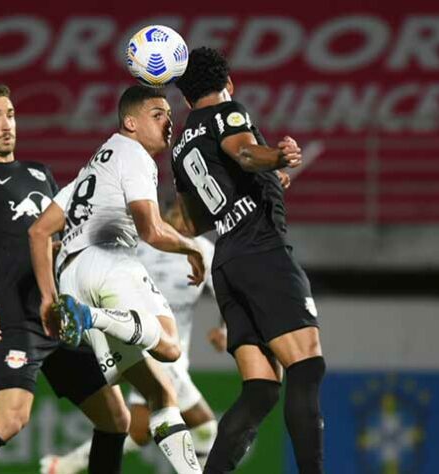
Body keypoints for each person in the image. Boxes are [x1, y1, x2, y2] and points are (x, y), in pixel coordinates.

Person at [0, 83, 131, 474]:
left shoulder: (39, 173)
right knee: (11, 419)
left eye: (9, 114)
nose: (6, 124)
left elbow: (57, 236)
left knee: (116, 420)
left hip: (60, 317)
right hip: (17, 317)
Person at [29, 85, 205, 473]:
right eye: (158, 114)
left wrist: (47, 297)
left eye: (170, 115)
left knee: (161, 392)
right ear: (130, 122)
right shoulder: (134, 155)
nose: (169, 121)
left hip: (71, 276)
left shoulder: (92, 168)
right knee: (170, 347)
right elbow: (151, 230)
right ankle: (90, 315)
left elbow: (39, 232)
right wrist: (191, 248)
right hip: (109, 260)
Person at [171, 47, 326, 474]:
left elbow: (193, 219)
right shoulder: (228, 111)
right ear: (229, 84)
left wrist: (266, 179)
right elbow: (243, 152)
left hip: (227, 259)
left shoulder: (181, 146)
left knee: (261, 390)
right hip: (262, 249)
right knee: (307, 365)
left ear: (185, 99)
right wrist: (276, 156)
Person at [39, 205, 222, 474]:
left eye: (193, 218)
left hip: (176, 351)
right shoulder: (137, 243)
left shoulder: (201, 250)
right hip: (147, 344)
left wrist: (225, 328)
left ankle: (63, 467)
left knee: (138, 431)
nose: (185, 224)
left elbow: (227, 292)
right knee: (205, 428)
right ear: (167, 212)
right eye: (180, 214)